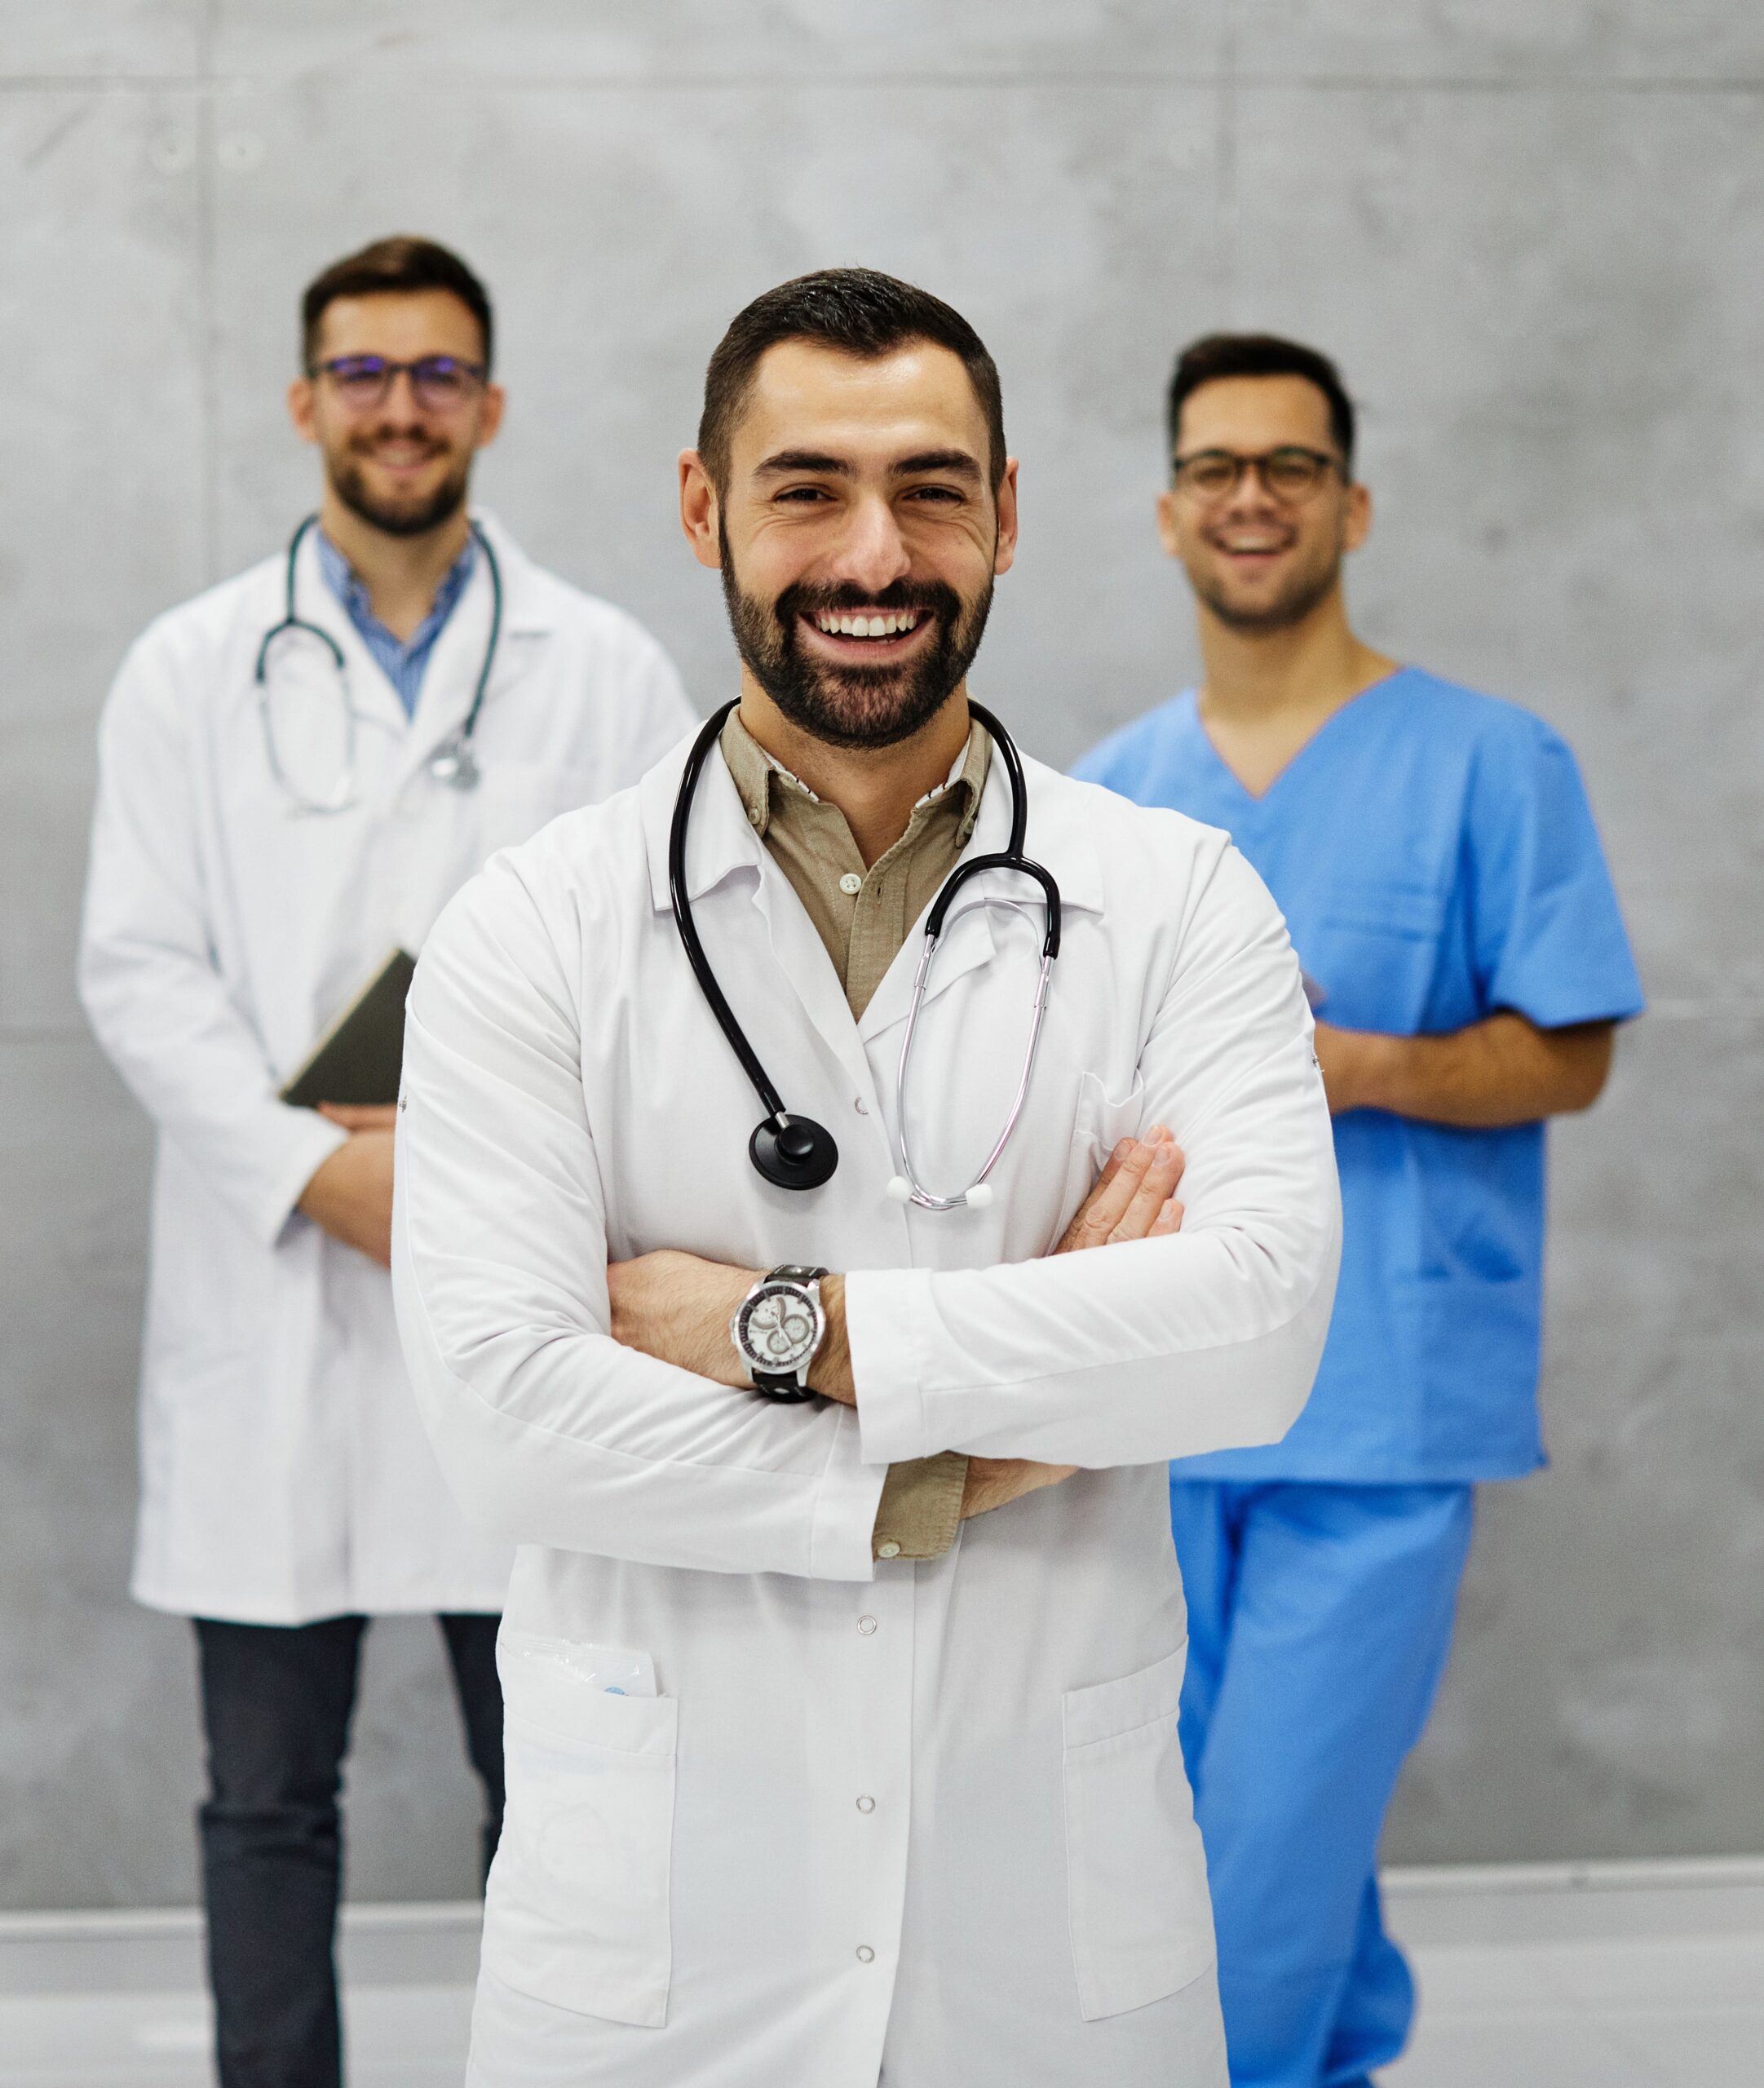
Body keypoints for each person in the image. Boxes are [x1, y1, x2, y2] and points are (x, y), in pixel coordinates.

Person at [390, 267, 1340, 2088]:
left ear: (1004, 513)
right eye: (805, 488)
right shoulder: (539, 923)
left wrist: (780, 1325)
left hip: (1043, 1923)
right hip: (667, 1923)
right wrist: (968, 1455)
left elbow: (1256, 1328)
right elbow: (509, 1416)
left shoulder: (1173, 895)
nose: (872, 552)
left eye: (930, 488)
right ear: (702, 508)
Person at [77, 233, 694, 2088]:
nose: (401, 406)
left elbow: (674, 950)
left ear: (489, 404)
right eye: (364, 372)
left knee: (561, 1782)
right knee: (265, 1798)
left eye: (437, 374)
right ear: (304, 402)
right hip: (275, 1296)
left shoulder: (604, 664)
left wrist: (467, 1163)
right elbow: (135, 963)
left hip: (515, 1275)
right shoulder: (189, 667)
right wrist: (310, 1170)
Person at [1073, 331, 1645, 2088]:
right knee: (1205, 1833)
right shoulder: (1110, 792)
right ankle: (1335, 2057)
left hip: (1380, 1403)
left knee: (1255, 1849)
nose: (1252, 498)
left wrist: (1348, 1064)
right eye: (1218, 468)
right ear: (1167, 512)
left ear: (1350, 501)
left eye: (1290, 466)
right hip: (1167, 1402)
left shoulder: (1489, 760)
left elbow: (1565, 1056)